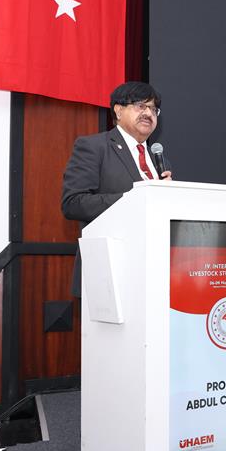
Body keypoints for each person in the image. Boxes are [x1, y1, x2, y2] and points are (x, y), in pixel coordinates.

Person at [61, 81, 172, 297]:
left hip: (154, 272)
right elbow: (73, 203)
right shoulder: (94, 147)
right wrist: (134, 199)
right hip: (109, 271)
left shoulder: (160, 161)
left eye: (153, 109)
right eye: (140, 106)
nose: (148, 113)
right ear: (118, 111)